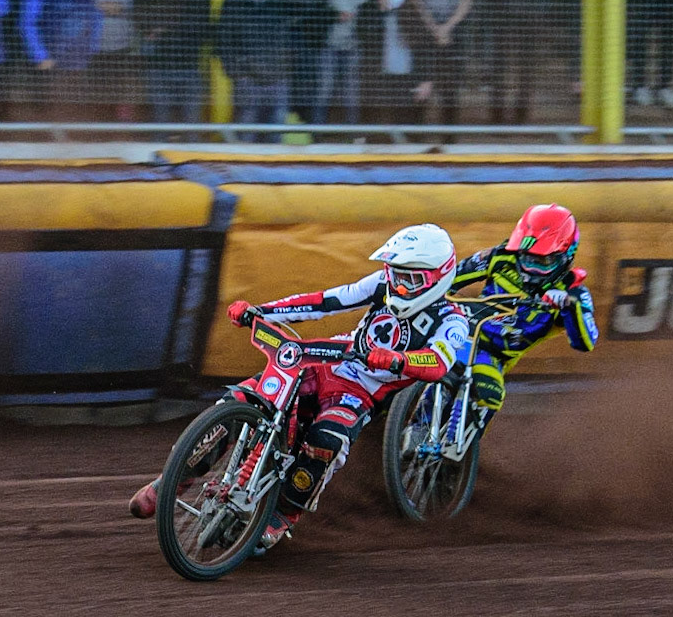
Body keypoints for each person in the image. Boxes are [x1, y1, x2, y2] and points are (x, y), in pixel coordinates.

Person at [129, 223, 469, 549]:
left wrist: (398, 360)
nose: (398, 285)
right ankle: (171, 482)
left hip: (360, 393)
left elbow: (438, 361)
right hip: (325, 363)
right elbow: (325, 301)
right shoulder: (382, 284)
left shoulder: (453, 320)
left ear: (438, 279)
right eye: (395, 274)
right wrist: (262, 312)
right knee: (243, 400)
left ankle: (283, 514)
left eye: (410, 279)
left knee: (327, 440)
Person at [449, 204, 598, 419]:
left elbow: (586, 342)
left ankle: (457, 444)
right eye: (526, 258)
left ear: (566, 257)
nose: (531, 268)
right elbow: (448, 279)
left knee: (489, 395)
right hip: (461, 331)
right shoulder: (499, 257)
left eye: (543, 261)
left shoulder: (575, 293)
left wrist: (568, 305)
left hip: (494, 356)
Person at [216, 0, 303, 138]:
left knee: (276, 129)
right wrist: (238, 74)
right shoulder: (232, 2)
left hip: (278, 77)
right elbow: (224, 42)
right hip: (248, 80)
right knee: (247, 129)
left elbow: (305, 7)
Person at [404, 0, 478, 125]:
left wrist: (447, 28)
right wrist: (434, 28)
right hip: (424, 32)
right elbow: (416, 1)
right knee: (422, 86)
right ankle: (416, 137)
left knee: (450, 88)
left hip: (454, 34)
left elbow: (466, 0)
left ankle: (450, 138)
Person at [20, 0, 103, 118]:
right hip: (50, 67)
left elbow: (95, 18)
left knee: (77, 117)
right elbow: (27, 24)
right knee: (48, 118)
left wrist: (92, 51)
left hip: (79, 66)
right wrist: (40, 56)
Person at [133, 0, 208, 123]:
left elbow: (195, 29)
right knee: (160, 124)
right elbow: (146, 26)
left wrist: (160, 27)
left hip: (189, 69)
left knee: (191, 126)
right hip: (158, 70)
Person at [80, 0, 144, 121]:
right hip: (88, 53)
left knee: (120, 108)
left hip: (122, 54)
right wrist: (112, 7)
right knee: (92, 106)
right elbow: (79, 9)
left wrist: (100, 6)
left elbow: (140, 13)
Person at [312, 0, 368, 124]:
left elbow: (368, 11)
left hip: (353, 46)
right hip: (329, 45)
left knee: (351, 94)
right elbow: (314, 8)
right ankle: (317, 135)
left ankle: (354, 137)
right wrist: (334, 15)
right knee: (323, 91)